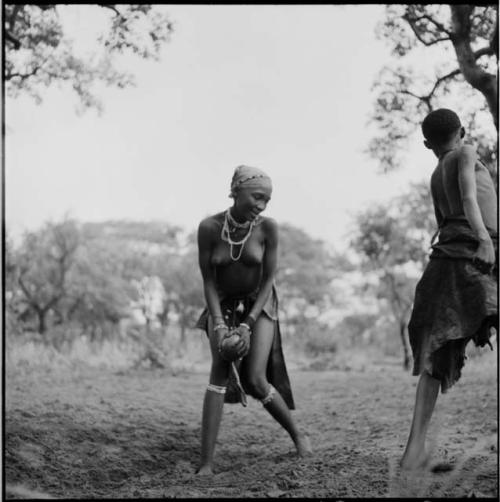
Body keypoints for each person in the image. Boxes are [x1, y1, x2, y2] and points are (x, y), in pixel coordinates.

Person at [195, 164, 312, 475]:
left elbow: (269, 279)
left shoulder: (267, 229)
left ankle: (299, 437)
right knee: (218, 373)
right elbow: (208, 280)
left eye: (267, 201)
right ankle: (206, 463)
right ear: (236, 190)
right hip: (222, 306)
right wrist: (219, 324)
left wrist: (247, 324)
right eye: (256, 197)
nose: (261, 206)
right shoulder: (208, 228)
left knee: (257, 380)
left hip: (259, 307)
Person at [401, 108, 498, 471]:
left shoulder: (434, 173)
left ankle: (414, 452)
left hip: (446, 259)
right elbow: (470, 199)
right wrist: (485, 241)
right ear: (463, 130)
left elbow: (443, 221)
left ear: (427, 144)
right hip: (479, 253)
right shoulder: (466, 152)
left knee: (436, 358)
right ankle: (414, 454)